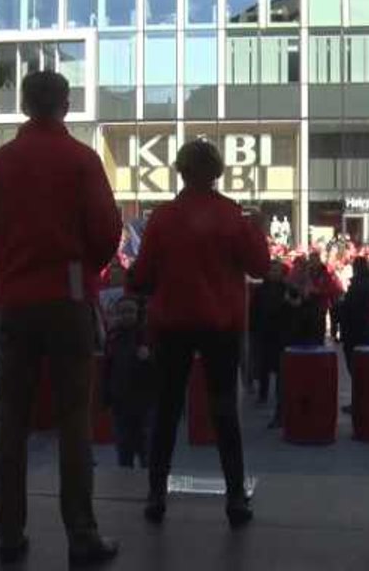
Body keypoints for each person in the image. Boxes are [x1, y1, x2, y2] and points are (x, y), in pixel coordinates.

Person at [0, 70, 123, 567]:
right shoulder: (81, 160)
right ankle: (81, 532)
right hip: (69, 297)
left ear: (24, 103)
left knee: (11, 420)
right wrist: (82, 267)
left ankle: (10, 533)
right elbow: (106, 232)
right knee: (75, 419)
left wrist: (12, 260)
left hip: (15, 300)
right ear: (66, 104)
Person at [128, 139, 270, 528]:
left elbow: (140, 277)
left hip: (171, 325)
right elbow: (260, 266)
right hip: (220, 327)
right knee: (225, 412)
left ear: (181, 170)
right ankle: (235, 498)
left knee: (167, 410)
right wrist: (257, 230)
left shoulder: (163, 218)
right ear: (217, 172)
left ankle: (156, 495)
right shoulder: (231, 216)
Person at [102, 296, 155, 469]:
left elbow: (160, 367)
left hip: (144, 403)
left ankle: (148, 487)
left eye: (131, 311)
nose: (127, 315)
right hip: (120, 403)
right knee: (124, 450)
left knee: (146, 450)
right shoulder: (112, 338)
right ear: (117, 313)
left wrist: (149, 358)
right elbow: (107, 369)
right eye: (123, 311)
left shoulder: (147, 336)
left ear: (137, 313)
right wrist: (106, 397)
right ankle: (125, 486)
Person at [250, 261, 292, 429]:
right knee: (263, 366)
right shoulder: (260, 290)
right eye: (271, 270)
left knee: (281, 372)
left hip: (281, 336)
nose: (274, 273)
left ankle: (280, 406)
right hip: (264, 334)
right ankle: (263, 393)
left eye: (277, 270)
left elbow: (292, 311)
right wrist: (253, 330)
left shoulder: (287, 289)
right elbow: (254, 311)